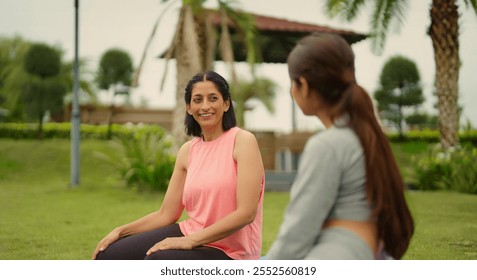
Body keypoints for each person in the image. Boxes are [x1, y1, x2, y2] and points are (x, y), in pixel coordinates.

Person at [266, 33, 414, 260]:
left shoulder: (328, 145)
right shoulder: (365, 136)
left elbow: (299, 230)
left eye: (292, 82)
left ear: (303, 85)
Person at [93, 71, 265, 260]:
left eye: (213, 98)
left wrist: (191, 240)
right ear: (189, 107)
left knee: (158, 260)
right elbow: (166, 214)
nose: (205, 106)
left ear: (226, 104)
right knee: (108, 255)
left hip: (231, 251)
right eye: (198, 100)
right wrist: (121, 231)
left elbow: (246, 213)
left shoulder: (243, 142)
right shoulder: (188, 151)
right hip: (189, 232)